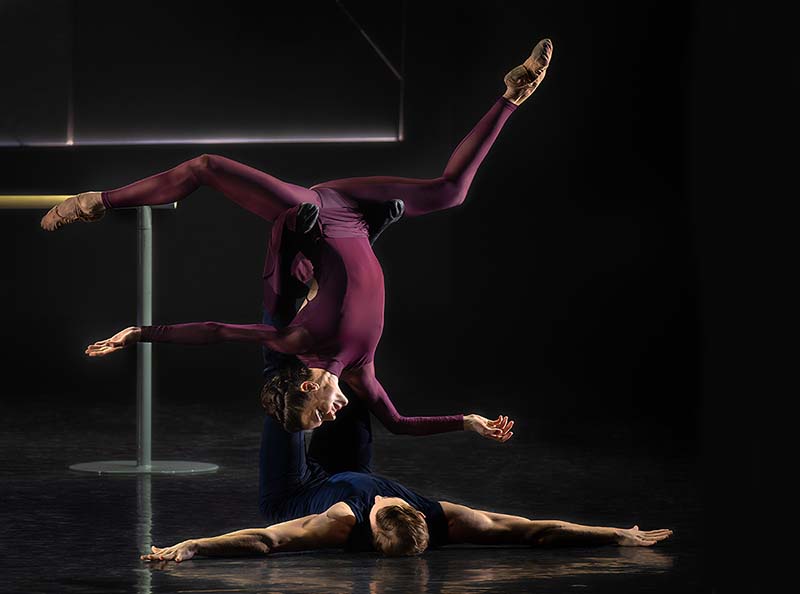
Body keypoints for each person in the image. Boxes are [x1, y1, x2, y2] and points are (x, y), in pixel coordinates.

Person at [43, 39, 554, 441]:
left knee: (207, 167)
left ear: (309, 387)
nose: (331, 419)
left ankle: (97, 201)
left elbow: (216, 331)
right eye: (323, 423)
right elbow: (398, 424)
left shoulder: (298, 343)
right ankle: (512, 96)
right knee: (450, 193)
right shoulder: (360, 373)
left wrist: (138, 334)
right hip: (357, 214)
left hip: (318, 210)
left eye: (317, 417)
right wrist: (470, 422)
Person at [141, 386, 672, 562]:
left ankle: (293, 320)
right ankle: (328, 307)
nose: (390, 502)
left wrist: (192, 545)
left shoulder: (338, 524)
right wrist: (617, 534)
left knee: (292, 400)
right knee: (348, 390)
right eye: (398, 506)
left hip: (294, 491)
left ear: (370, 526)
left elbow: (264, 540)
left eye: (384, 510)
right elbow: (533, 529)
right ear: (417, 512)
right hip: (349, 470)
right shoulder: (445, 520)